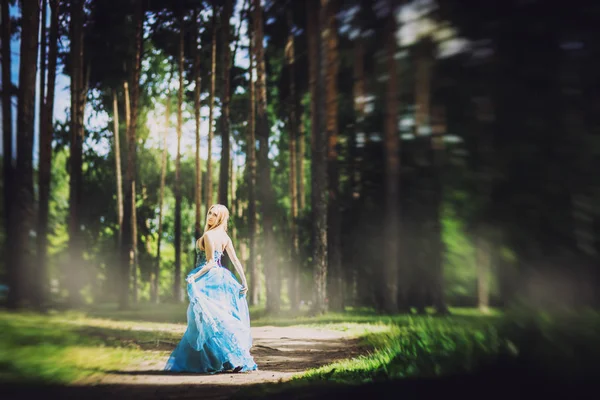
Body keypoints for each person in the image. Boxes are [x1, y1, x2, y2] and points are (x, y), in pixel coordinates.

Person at [164, 204, 257, 373]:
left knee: (206, 319)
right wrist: (243, 281)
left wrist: (194, 277)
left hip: (209, 279)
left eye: (215, 215)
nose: (210, 217)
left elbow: (211, 263)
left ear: (220, 218)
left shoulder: (208, 235)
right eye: (209, 213)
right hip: (222, 278)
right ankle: (228, 359)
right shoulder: (225, 237)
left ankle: (225, 359)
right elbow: (234, 261)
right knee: (216, 318)